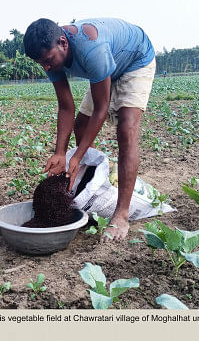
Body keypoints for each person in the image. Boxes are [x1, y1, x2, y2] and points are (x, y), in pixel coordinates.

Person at [23, 18, 156, 241]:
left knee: (126, 130)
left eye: (47, 61)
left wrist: (78, 155)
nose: (46, 67)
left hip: (135, 60)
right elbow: (66, 107)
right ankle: (93, 179)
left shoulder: (91, 48)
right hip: (105, 68)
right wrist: (60, 153)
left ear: (63, 43)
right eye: (41, 63)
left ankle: (122, 214)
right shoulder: (50, 56)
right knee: (81, 125)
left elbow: (101, 109)